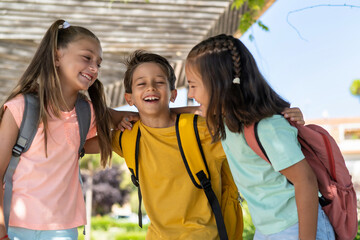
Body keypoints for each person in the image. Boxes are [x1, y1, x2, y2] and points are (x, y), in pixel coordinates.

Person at [92, 50, 305, 239]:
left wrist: (279, 116)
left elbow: (244, 122)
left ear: (173, 94)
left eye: (159, 82)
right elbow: (76, 139)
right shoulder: (127, 136)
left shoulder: (202, 129)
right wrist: (117, 115)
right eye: (141, 84)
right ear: (129, 98)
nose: (151, 88)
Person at [185, 34, 335, 240]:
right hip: (267, 230)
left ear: (219, 83)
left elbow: (306, 182)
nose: (191, 93)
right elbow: (187, 112)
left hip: (297, 227)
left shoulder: (266, 127)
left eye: (193, 85)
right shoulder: (227, 121)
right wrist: (140, 114)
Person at [0, 19, 130, 240]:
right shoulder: (20, 107)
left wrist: (198, 110)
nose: (94, 68)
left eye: (98, 63)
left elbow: (146, 116)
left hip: (62, 227)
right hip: (13, 225)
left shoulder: (87, 111)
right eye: (87, 57)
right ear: (57, 56)